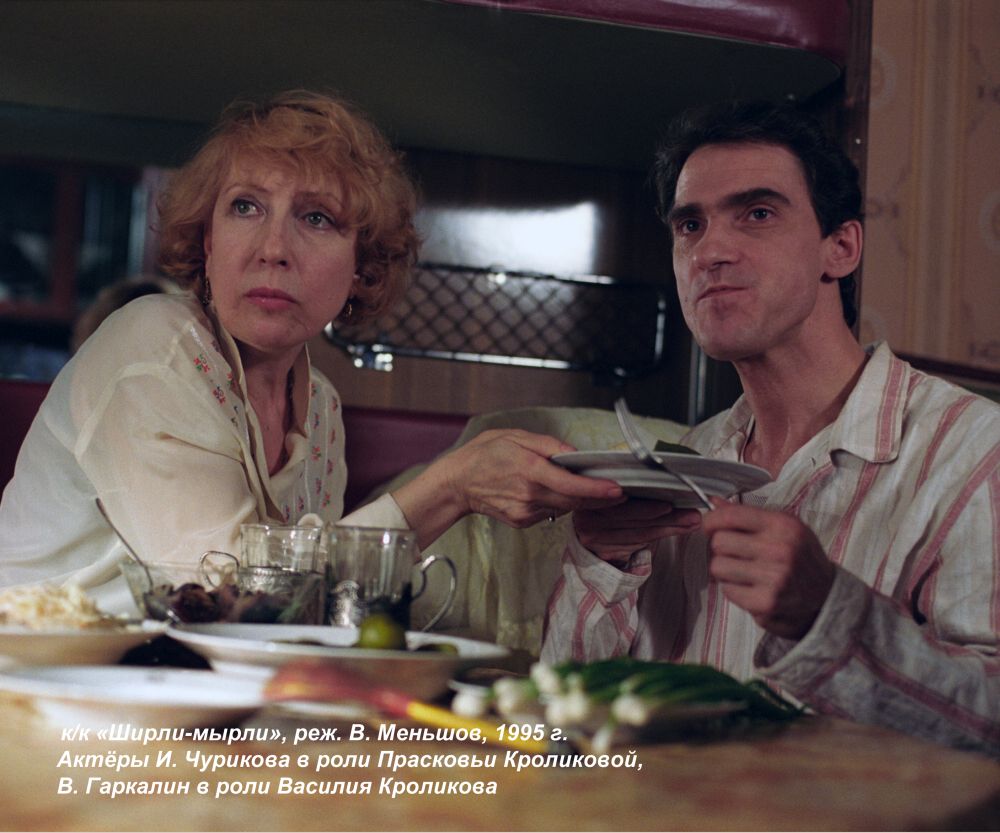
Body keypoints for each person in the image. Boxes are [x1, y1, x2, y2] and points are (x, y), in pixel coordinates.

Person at [0, 90, 621, 613]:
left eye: (317, 218)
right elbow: (228, 598)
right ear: (208, 242)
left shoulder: (319, 406)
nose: (273, 248)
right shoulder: (151, 346)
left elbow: (306, 609)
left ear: (361, 267)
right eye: (245, 207)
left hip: (172, 685)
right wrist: (451, 488)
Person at [541, 100, 1000, 757]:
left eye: (757, 213)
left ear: (840, 248)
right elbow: (561, 729)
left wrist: (830, 617)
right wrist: (598, 561)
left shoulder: (978, 454)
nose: (710, 252)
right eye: (690, 225)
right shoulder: (673, 469)